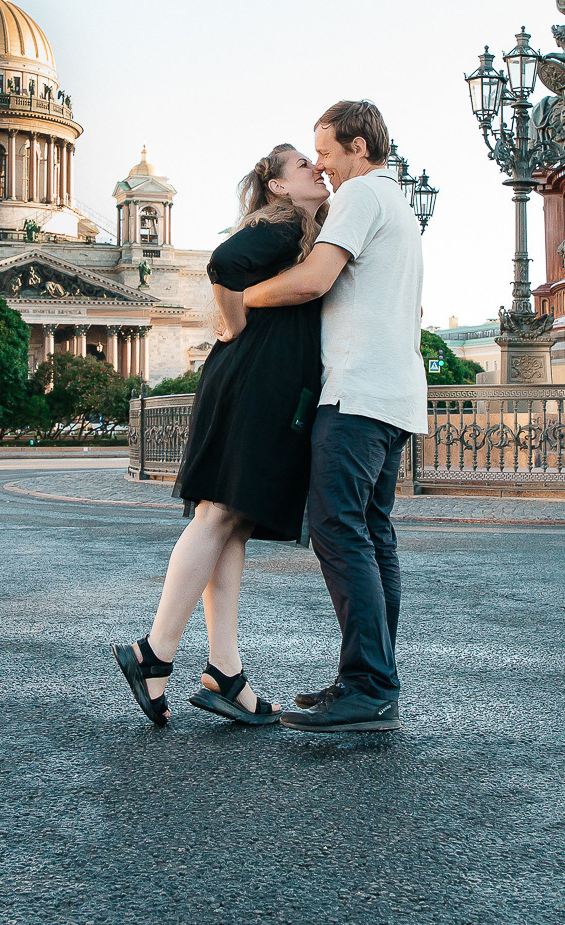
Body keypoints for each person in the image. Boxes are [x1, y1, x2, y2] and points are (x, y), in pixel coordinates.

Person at [113, 144, 330, 727]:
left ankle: (224, 673)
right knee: (216, 516)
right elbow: (225, 265)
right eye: (304, 166)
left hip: (254, 377)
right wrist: (234, 326)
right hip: (257, 379)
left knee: (230, 519)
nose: (317, 170)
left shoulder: (296, 226)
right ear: (280, 187)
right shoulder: (286, 226)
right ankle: (153, 652)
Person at [239, 100, 427, 734]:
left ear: (360, 151)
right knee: (371, 536)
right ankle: (369, 678)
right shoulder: (397, 204)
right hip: (396, 395)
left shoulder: (358, 197)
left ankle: (369, 685)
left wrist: (242, 300)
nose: (320, 164)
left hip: (356, 395)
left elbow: (314, 281)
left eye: (326, 152)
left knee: (338, 532)